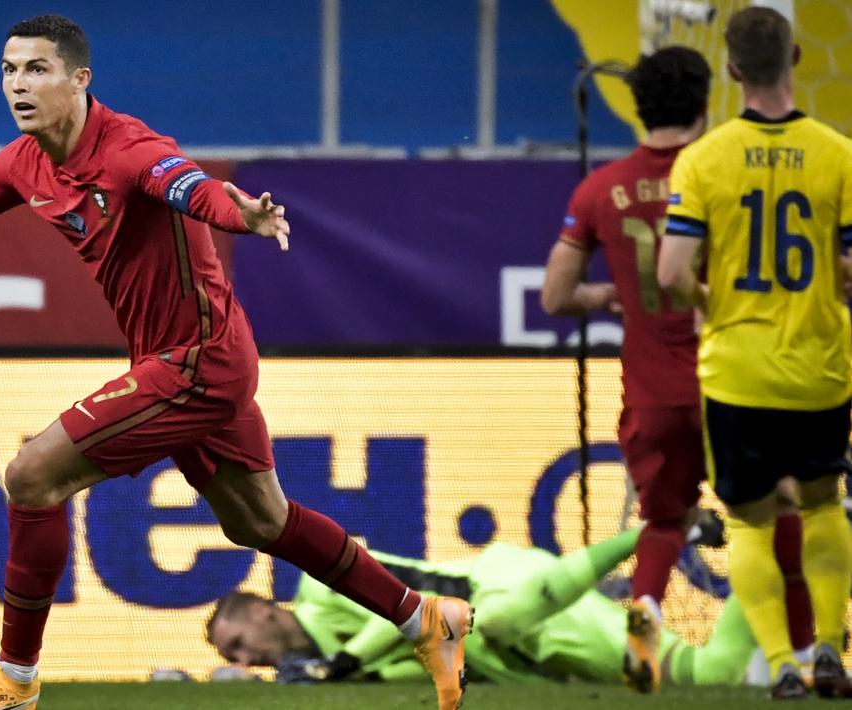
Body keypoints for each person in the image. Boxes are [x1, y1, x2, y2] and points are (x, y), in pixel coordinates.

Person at [0, 15, 471, 710]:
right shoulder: (23, 162)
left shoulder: (128, 150)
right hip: (179, 359)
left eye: (38, 68)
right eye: (9, 68)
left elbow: (191, 187)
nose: (18, 83)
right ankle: (420, 616)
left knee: (31, 474)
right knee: (260, 522)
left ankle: (13, 681)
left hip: (197, 361)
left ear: (79, 79)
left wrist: (239, 214)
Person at [541, 45, 812, 694]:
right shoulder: (725, 171)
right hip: (733, 382)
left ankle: (643, 628)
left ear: (636, 107)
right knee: (778, 514)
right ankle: (801, 655)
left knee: (663, 523)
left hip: (649, 392)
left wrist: (603, 296)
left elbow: (554, 297)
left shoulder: (599, 188)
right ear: (702, 100)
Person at [658, 6, 852, 700]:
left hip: (737, 371)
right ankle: (829, 646)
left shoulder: (703, 158)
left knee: (748, 518)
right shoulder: (838, 153)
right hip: (819, 369)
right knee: (825, 505)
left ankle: (780, 666)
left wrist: (713, 299)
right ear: (796, 56)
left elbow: (669, 272)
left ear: (731, 69)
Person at [206, 530, 759, 687]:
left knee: (492, 618)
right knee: (706, 678)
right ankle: (785, 567)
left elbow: (418, 616)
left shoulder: (323, 587)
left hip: (503, 592)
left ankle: (654, 531)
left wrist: (343, 665)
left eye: (238, 643)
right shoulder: (332, 671)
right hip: (523, 647)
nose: (247, 657)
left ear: (263, 612)